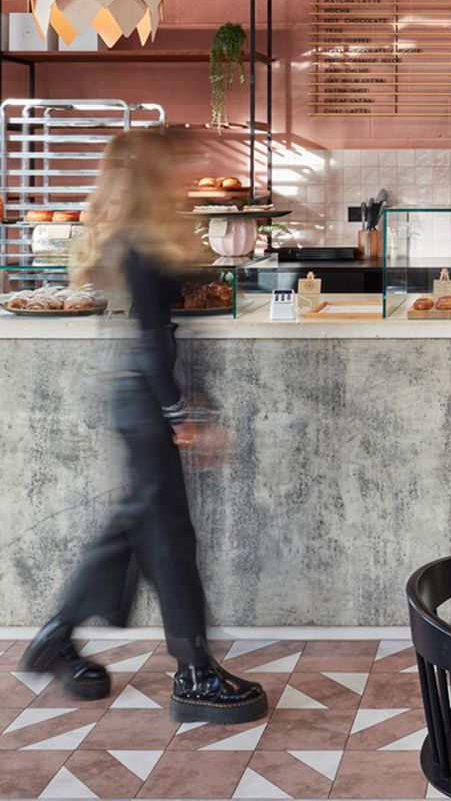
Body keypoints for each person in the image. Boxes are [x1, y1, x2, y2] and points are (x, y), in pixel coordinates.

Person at [21, 129, 267, 725]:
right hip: (142, 400)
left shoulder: (136, 236)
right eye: (178, 169)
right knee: (170, 541)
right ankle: (195, 674)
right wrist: (183, 419)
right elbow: (149, 338)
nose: (188, 177)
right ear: (154, 176)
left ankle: (56, 639)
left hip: (135, 399)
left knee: (136, 527)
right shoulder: (139, 243)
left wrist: (185, 405)